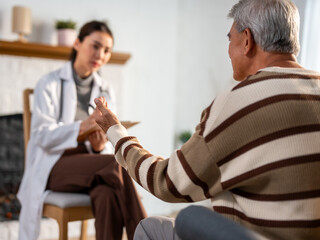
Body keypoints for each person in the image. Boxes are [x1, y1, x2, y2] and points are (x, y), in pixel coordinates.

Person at [93, 0, 320, 239]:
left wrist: (115, 131)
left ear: (247, 40)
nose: (228, 49)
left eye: (229, 38)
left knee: (151, 227)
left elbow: (168, 182)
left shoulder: (238, 102)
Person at [17, 20, 146, 240]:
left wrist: (98, 146)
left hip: (90, 167)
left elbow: (102, 144)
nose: (101, 55)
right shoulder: (48, 83)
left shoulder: (106, 89)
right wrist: (85, 125)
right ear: (77, 43)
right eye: (95, 46)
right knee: (117, 164)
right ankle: (146, 233)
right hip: (53, 167)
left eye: (107, 50)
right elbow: (41, 136)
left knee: (107, 194)